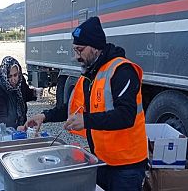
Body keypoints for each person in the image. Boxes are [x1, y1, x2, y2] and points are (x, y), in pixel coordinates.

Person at [26, 16, 147, 191]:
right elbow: (70, 109)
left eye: (80, 50)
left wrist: (87, 120)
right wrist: (43, 116)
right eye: (75, 50)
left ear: (94, 47)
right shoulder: (90, 75)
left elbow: (126, 116)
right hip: (101, 160)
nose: (76, 57)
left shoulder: (122, 71)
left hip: (127, 165)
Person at [0, 56, 40, 129]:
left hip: (19, 124)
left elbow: (25, 94)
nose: (13, 79)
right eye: (9, 76)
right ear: (5, 74)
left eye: (15, 75)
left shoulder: (20, 80)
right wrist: (16, 127)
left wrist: (35, 93)